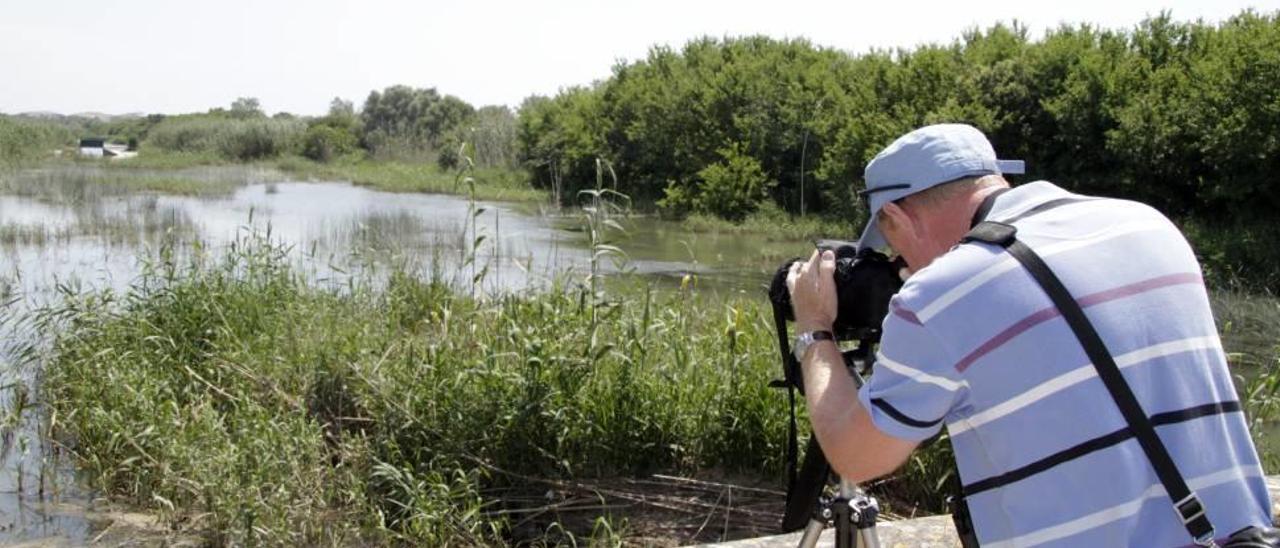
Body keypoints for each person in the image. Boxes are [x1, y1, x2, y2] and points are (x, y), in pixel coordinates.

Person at [786, 123, 1271, 546]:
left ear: (897, 216)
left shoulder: (942, 294)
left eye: (889, 242)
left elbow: (857, 456)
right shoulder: (1149, 225)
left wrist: (814, 328)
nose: (900, 263)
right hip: (1236, 536)